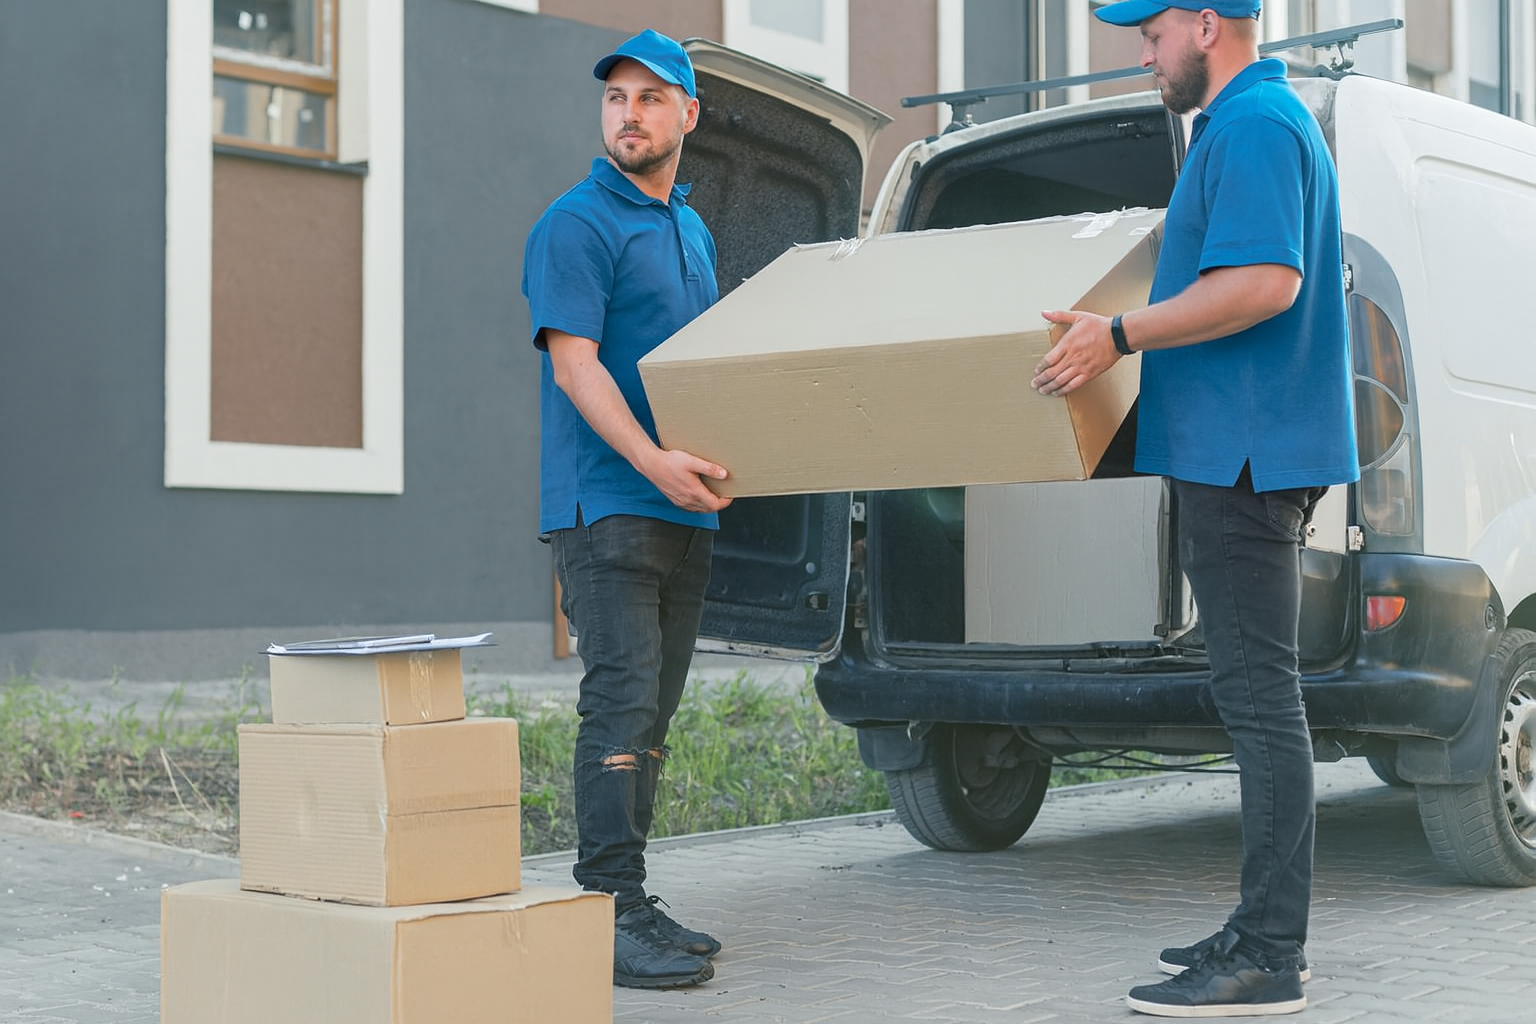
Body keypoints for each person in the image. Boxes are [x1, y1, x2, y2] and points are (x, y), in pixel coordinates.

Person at [1032, 1, 1357, 1017]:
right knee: (1256, 698)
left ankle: (1269, 953)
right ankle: (1258, 927)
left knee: (1262, 704)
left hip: (1243, 456)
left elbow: (1264, 283)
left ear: (1208, 24)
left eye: (1152, 33)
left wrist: (1117, 335)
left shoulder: (1255, 124)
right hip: (1236, 450)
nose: (1144, 54)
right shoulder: (1248, 123)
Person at [521, 29, 733, 991]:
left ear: (689, 114)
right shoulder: (575, 223)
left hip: (685, 509)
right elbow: (576, 367)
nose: (630, 114)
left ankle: (632, 899)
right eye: (617, 98)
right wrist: (653, 463)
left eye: (650, 98)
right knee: (618, 704)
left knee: (653, 714)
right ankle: (606, 908)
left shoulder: (691, 230)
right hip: (607, 505)